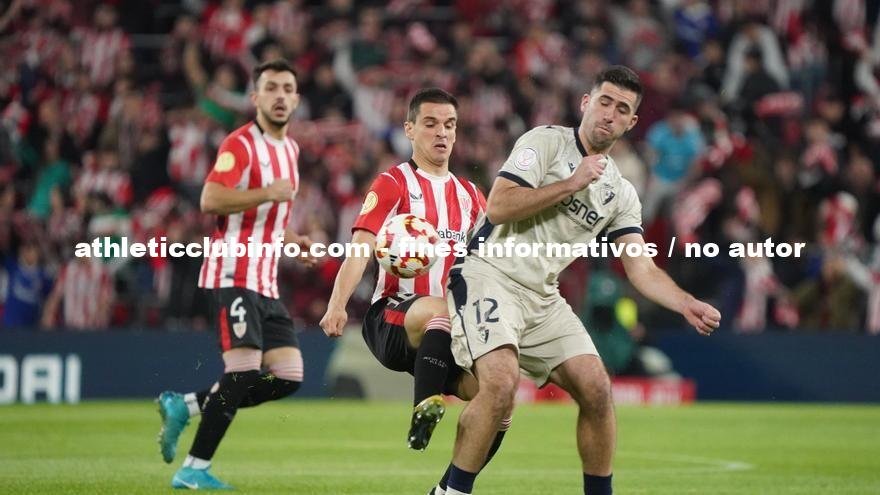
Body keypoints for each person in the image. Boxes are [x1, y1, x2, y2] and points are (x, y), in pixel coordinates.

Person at [433, 66, 721, 495]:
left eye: (621, 109)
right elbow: (499, 206)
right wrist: (570, 184)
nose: (609, 113)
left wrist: (683, 302)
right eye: (604, 102)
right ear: (586, 103)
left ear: (631, 123)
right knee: (500, 383)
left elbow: (639, 267)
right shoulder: (545, 142)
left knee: (597, 388)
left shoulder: (621, 193)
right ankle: (450, 492)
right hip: (488, 275)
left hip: (542, 297)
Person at [320, 88, 510, 472]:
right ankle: (422, 410)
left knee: (500, 394)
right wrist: (337, 303)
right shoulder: (393, 183)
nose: (442, 133)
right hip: (393, 321)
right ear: (409, 129)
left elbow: (493, 263)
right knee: (438, 309)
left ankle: (453, 483)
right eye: (431, 124)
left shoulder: (472, 196)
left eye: (450, 125)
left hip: (446, 335)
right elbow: (361, 246)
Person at [155, 59, 315, 490]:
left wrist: (293, 238)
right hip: (233, 272)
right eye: (271, 88)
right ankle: (194, 469)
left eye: (288, 88)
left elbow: (270, 218)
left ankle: (185, 406)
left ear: (296, 99)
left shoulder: (291, 150)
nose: (280, 96)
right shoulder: (241, 144)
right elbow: (210, 198)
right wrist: (267, 192)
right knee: (243, 372)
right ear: (255, 97)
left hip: (265, 280)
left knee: (287, 376)